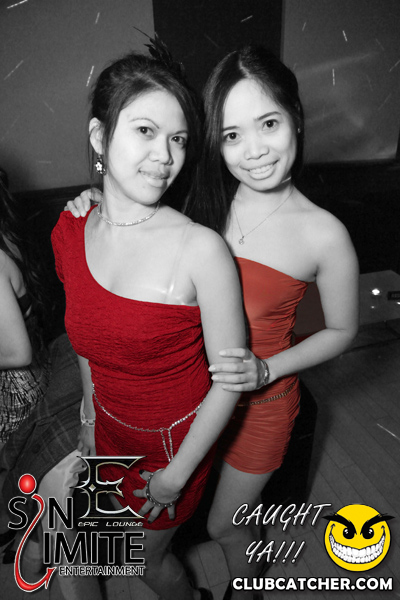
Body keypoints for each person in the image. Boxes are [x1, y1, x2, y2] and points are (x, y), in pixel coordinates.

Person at [66, 46, 359, 599]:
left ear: (296, 118)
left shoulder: (324, 233)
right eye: (231, 135)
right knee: (181, 521)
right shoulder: (199, 200)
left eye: (269, 124)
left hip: (259, 406)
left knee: (226, 525)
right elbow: (133, 209)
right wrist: (94, 200)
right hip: (186, 405)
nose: (254, 151)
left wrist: (268, 368)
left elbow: (342, 331)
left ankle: (245, 590)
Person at [52, 50, 245, 600]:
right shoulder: (69, 230)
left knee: (146, 560)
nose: (165, 156)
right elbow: (88, 342)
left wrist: (176, 476)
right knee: (105, 549)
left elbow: (231, 379)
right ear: (99, 136)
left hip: (175, 445)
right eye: (145, 130)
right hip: (108, 431)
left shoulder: (201, 250)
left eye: (178, 139)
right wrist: (90, 417)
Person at [0, 168, 52, 551]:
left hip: (18, 384)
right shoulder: (6, 233)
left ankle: (20, 528)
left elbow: (18, 352)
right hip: (33, 372)